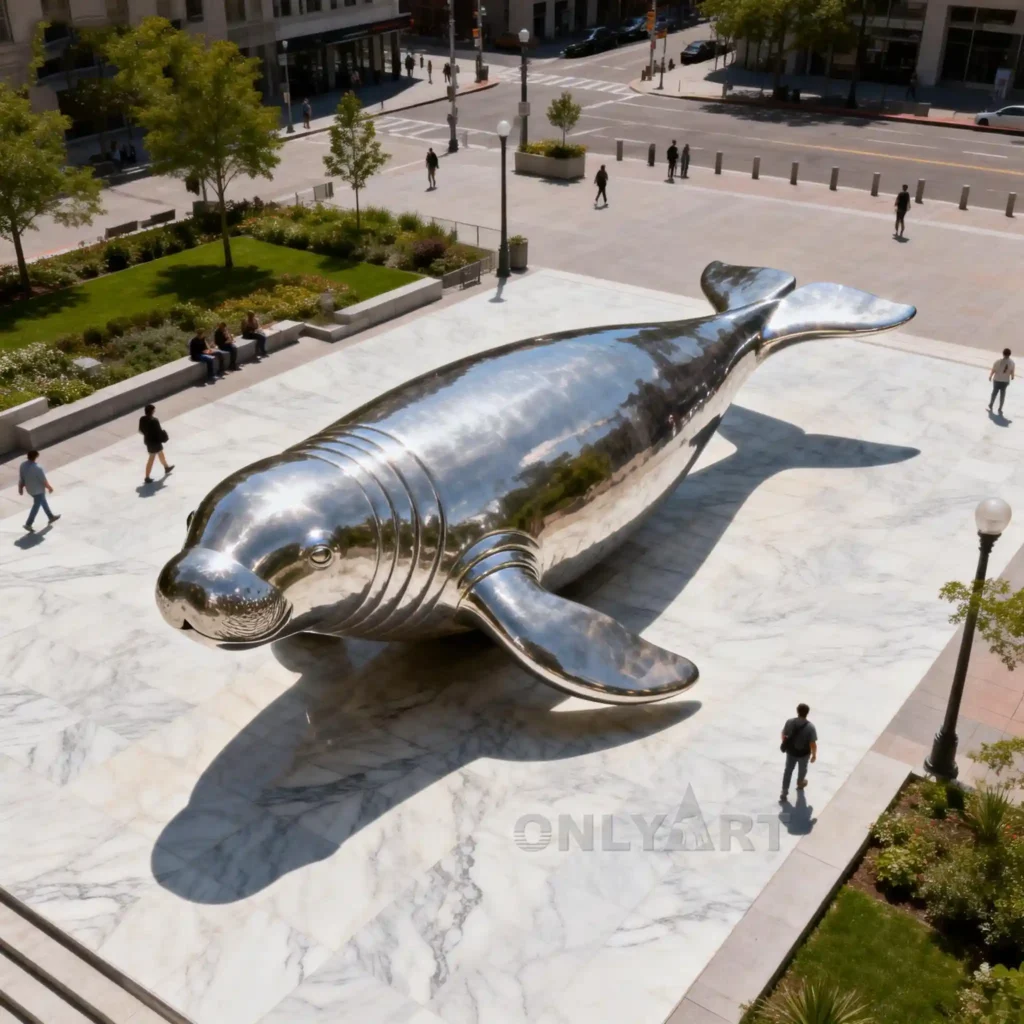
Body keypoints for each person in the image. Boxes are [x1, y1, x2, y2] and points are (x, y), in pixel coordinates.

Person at [780, 703, 817, 803]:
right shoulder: (810, 727)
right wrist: (814, 755)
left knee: (788, 771)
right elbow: (812, 743)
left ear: (797, 711)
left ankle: (784, 792)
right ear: (807, 713)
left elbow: (783, 734)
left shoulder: (790, 722)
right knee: (802, 769)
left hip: (791, 752)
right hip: (804, 754)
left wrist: (785, 743)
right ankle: (800, 783)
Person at [18, 450, 60, 533]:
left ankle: (50, 516)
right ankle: (28, 524)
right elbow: (43, 480)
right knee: (36, 506)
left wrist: (20, 488)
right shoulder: (37, 468)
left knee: (43, 501)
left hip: (30, 489)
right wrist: (49, 487)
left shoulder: (22, 465)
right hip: (38, 490)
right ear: (36, 457)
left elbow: (21, 478)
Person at [139, 404, 174, 485]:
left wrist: (147, 434)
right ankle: (147, 477)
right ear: (151, 411)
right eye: (154, 410)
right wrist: (164, 437)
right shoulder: (154, 420)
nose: (154, 411)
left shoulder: (142, 419)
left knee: (161, 454)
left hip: (148, 441)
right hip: (154, 442)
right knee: (151, 458)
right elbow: (159, 432)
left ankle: (166, 467)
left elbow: (141, 429)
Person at [989, 348, 1015, 415]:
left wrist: (990, 376)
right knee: (1002, 395)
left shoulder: (998, 361)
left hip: (997, 379)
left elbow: (993, 370)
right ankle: (1000, 408)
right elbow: (1012, 371)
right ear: (1009, 354)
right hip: (1005, 381)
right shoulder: (1012, 363)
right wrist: (1012, 376)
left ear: (1003, 354)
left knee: (994, 393)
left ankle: (991, 404)